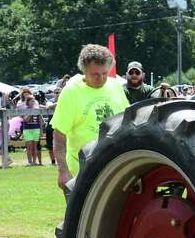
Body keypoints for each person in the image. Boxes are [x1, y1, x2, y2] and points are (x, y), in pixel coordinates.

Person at [52, 44, 130, 193]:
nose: (101, 78)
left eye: (105, 73)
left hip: (113, 168)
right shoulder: (71, 92)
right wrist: (63, 171)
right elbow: (59, 133)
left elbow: (126, 121)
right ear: (84, 71)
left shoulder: (116, 87)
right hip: (81, 171)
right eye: (95, 74)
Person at [17, 90, 43, 166]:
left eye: (33, 101)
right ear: (27, 102)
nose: (33, 103)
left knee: (35, 146)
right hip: (27, 128)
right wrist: (31, 112)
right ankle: (29, 161)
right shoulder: (25, 110)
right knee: (29, 146)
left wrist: (41, 130)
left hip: (36, 128)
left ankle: (35, 161)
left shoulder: (36, 109)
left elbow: (40, 120)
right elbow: (25, 119)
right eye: (31, 101)